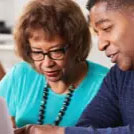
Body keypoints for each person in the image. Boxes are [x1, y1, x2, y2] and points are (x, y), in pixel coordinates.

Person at [15, 0, 134, 133]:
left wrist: (60, 132)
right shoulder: (118, 76)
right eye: (97, 33)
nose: (101, 45)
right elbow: (89, 125)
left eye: (106, 28)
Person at [0, 0, 109, 132]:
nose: (47, 63)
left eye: (56, 51)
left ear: (76, 45)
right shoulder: (21, 74)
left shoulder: (106, 83)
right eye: (37, 52)